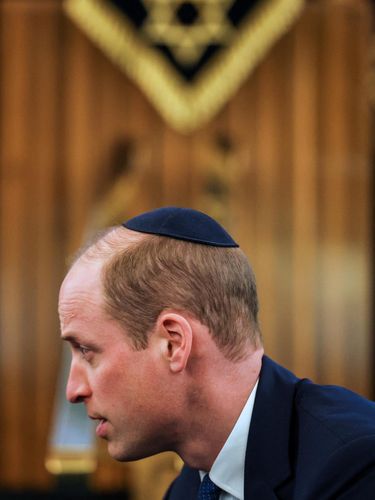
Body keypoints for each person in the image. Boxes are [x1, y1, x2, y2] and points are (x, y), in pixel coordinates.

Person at [59, 206, 375, 500]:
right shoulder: (187, 489)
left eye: (87, 352)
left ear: (173, 344)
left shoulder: (356, 465)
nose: (73, 391)